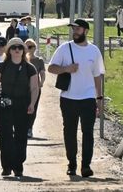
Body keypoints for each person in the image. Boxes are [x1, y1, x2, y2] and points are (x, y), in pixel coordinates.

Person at [48, 19, 106, 178]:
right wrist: (66, 68)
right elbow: (51, 68)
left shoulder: (94, 51)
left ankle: (86, 165)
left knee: (88, 133)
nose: (75, 31)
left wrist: (99, 98)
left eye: (78, 29)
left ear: (86, 31)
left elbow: (97, 76)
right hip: (68, 98)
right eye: (73, 29)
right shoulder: (64, 48)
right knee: (70, 132)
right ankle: (72, 163)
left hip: (88, 98)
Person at [0, 37, 40, 179]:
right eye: (14, 47)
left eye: (20, 47)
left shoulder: (30, 68)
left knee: (21, 136)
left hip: (22, 105)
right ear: (8, 50)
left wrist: (32, 103)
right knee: (5, 136)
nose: (17, 50)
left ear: (24, 50)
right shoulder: (1, 66)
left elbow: (34, 88)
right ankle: (6, 166)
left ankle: (18, 166)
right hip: (5, 104)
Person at [24, 39, 46, 138]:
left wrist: (41, 82)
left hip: (35, 89)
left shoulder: (38, 60)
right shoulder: (21, 60)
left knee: (33, 108)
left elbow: (42, 72)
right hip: (22, 89)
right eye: (26, 47)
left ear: (34, 48)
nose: (28, 49)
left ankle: (29, 128)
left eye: (30, 47)